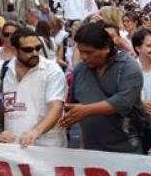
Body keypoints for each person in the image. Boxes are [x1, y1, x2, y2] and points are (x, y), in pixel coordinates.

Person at [60, 21, 146, 154]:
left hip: (126, 148)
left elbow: (124, 102)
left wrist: (87, 110)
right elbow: (73, 103)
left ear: (106, 48)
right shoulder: (80, 70)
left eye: (89, 52)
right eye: (81, 51)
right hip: (90, 149)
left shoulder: (128, 67)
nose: (84, 57)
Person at [0, 28, 67, 147]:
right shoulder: (6, 69)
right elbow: (4, 105)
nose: (35, 53)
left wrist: (35, 132)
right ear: (15, 50)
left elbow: (56, 107)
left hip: (46, 146)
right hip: (14, 146)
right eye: (28, 50)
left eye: (38, 48)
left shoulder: (52, 70)